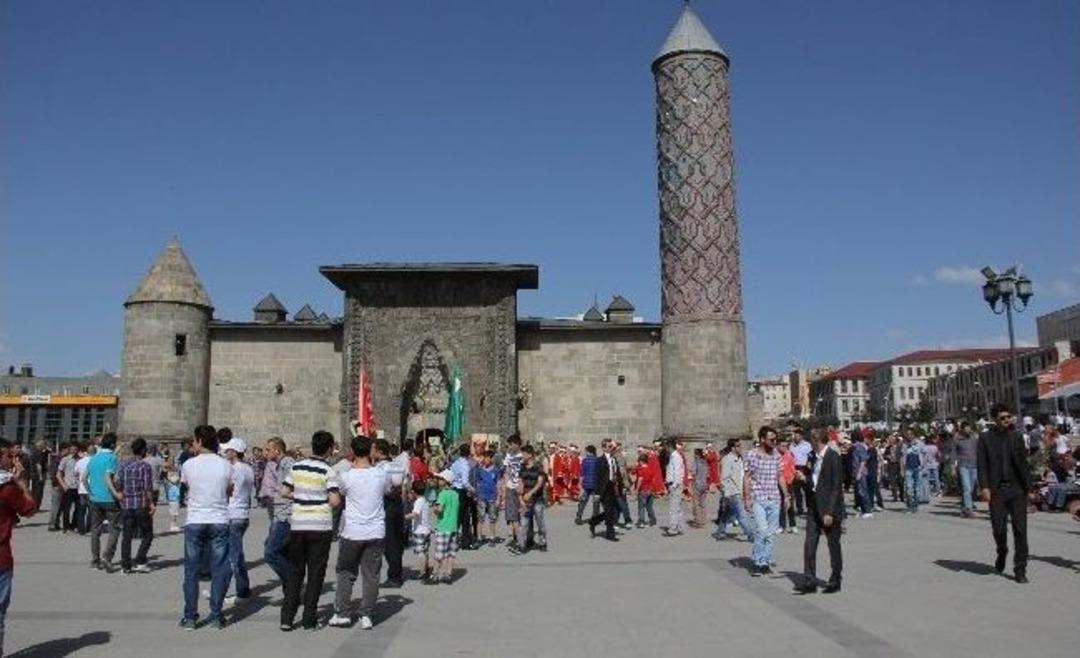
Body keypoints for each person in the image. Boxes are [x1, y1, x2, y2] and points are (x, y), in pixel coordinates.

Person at [280, 431, 342, 631]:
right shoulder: (328, 470)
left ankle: (287, 618)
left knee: (295, 571)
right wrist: (319, 500)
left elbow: (285, 492)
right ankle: (309, 619)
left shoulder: (296, 466)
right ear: (330, 448)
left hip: (298, 524)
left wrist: (302, 498)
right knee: (316, 573)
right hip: (320, 526)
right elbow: (334, 500)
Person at [328, 435, 390, 630]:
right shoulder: (381, 474)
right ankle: (366, 614)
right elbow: (387, 491)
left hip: (352, 531)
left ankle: (343, 613)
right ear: (371, 450)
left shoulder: (345, 477)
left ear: (352, 452)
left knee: (346, 572)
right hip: (375, 531)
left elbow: (339, 496)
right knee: (371, 574)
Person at [179, 425, 233, 630]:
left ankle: (190, 617)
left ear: (200, 441)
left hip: (195, 519)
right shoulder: (226, 465)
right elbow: (230, 489)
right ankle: (216, 615)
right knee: (219, 568)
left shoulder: (189, 465)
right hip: (219, 518)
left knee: (191, 570)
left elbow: (187, 486)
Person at [977, 404, 1030, 583]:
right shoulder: (985, 438)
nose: (1007, 420)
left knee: (1020, 530)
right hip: (997, 490)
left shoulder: (1016, 437)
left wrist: (1029, 489)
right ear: (994, 420)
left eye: (1009, 417)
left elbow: (1024, 464)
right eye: (1003, 418)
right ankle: (1002, 550)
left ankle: (1020, 569)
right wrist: (984, 487)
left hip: (1017, 489)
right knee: (999, 529)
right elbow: (982, 464)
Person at [0, 439, 37, 657]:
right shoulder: (7, 487)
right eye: (8, 455)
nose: (12, 459)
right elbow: (30, 509)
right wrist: (22, 483)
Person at [795, 429, 843, 594]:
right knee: (809, 543)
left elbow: (836, 487)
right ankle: (810, 580)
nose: (810, 445)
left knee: (833, 545)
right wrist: (803, 478)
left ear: (818, 441)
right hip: (813, 505)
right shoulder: (812, 457)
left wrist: (830, 512)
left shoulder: (833, 457)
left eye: (812, 441)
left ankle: (835, 580)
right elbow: (811, 479)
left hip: (829, 508)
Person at [745, 426, 783, 576]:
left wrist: (786, 495)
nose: (774, 442)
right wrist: (746, 497)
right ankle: (756, 561)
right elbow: (747, 477)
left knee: (770, 534)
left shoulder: (777, 455)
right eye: (771, 439)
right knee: (761, 530)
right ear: (762, 439)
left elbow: (779, 476)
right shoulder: (752, 454)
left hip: (774, 498)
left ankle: (765, 562)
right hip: (758, 498)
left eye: (776, 439)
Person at [221, 438, 254, 604]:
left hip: (233, 513)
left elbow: (227, 490)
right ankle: (240, 589)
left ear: (234, 452)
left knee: (233, 556)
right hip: (243, 514)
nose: (225, 452)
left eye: (228, 450)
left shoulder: (233, 469)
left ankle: (240, 591)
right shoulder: (248, 468)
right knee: (235, 554)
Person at [116, 437, 155, 574]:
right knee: (148, 534)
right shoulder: (145, 466)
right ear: (144, 450)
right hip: (140, 504)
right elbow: (147, 487)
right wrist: (151, 504)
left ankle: (125, 566)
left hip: (126, 504)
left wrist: (120, 494)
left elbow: (118, 484)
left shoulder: (123, 465)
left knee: (126, 536)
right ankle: (140, 560)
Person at [373, 439, 407, 589]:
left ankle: (394, 576)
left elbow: (383, 488)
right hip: (398, 503)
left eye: (373, 449)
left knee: (390, 541)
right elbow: (405, 483)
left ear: (380, 452)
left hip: (387, 503)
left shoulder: (380, 468)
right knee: (396, 539)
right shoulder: (398, 465)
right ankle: (396, 571)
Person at [261, 437, 294, 592]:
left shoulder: (288, 464)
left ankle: (294, 583)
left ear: (277, 450)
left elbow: (294, 488)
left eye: (268, 449)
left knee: (270, 553)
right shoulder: (280, 464)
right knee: (281, 551)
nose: (265, 453)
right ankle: (290, 589)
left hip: (286, 515)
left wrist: (281, 494)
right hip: (280, 513)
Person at [86, 433, 121, 572]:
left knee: (95, 530)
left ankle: (95, 560)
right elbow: (108, 477)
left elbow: (83, 478)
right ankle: (107, 557)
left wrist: (90, 491)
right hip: (109, 498)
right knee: (114, 529)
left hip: (95, 498)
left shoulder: (94, 458)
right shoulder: (112, 458)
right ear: (112, 445)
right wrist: (116, 492)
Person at [714, 439, 753, 541]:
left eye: (741, 445)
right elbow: (724, 478)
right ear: (732, 448)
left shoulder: (739, 459)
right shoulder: (727, 459)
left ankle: (720, 532)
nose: (741, 448)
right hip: (732, 492)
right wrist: (726, 493)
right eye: (738, 446)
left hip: (738, 491)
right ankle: (751, 535)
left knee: (727, 513)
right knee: (742, 514)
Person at [514, 445, 548, 554]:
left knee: (540, 521)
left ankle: (543, 542)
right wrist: (520, 498)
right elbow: (520, 482)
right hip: (526, 500)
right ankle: (522, 545)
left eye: (523, 453)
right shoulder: (522, 467)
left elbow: (540, 482)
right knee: (524, 523)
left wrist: (530, 493)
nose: (522, 455)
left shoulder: (538, 466)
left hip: (537, 499)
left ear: (530, 454)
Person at [587, 439, 620, 542]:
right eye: (609, 447)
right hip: (603, 489)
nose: (611, 448)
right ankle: (610, 535)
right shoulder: (599, 460)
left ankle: (594, 521)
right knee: (609, 511)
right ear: (604, 448)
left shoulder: (614, 459)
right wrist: (596, 493)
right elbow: (596, 477)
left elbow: (617, 474)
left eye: (612, 447)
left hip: (612, 487)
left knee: (613, 510)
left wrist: (622, 487)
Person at [431, 469, 460, 584]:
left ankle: (435, 575)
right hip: (453, 526)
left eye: (440, 479)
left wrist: (434, 507)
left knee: (439, 553)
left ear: (446, 481)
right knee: (450, 553)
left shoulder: (442, 494)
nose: (438, 481)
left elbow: (440, 510)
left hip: (443, 527)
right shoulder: (455, 494)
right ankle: (448, 574)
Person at [449, 444, 476, 552]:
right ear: (468, 453)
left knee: (464, 518)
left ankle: (466, 541)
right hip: (461, 491)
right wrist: (473, 490)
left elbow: (451, 475)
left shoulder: (455, 463)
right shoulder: (465, 465)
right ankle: (453, 542)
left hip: (455, 489)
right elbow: (465, 482)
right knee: (459, 517)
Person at [406, 480, 433, 580]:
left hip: (419, 530)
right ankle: (426, 569)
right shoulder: (425, 500)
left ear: (414, 491)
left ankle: (422, 572)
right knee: (425, 551)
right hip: (426, 529)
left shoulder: (418, 502)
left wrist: (403, 517)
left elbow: (415, 514)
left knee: (420, 552)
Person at [502, 434, 524, 550]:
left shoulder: (523, 455)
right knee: (512, 515)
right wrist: (505, 488)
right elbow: (507, 472)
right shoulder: (508, 456)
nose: (509, 447)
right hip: (511, 487)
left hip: (522, 489)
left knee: (522, 515)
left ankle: (521, 539)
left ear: (516, 444)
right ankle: (516, 539)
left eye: (510, 444)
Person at [954, 421, 980, 517]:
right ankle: (969, 509)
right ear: (962, 429)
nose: (968, 430)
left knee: (972, 488)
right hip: (963, 465)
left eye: (969, 428)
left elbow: (979, 451)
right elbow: (953, 454)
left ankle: (964, 508)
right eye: (966, 428)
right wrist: (953, 467)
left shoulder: (975, 438)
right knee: (966, 487)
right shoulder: (957, 439)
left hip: (974, 465)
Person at [475, 450, 501, 545]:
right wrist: (477, 495)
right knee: (480, 518)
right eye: (484, 457)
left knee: (492, 518)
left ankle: (492, 537)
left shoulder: (496, 470)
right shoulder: (480, 470)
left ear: (491, 459)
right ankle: (479, 537)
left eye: (487, 457)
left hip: (492, 497)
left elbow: (498, 483)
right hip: (482, 496)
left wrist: (499, 497)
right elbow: (477, 483)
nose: (485, 459)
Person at [663, 438, 686, 537]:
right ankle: (680, 526)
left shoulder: (675, 457)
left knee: (674, 507)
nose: (665, 449)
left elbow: (677, 472)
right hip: (676, 484)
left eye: (666, 447)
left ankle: (673, 528)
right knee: (678, 508)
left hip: (675, 484)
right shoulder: (675, 456)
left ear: (669, 446)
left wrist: (674, 485)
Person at [575, 445, 599, 525]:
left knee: (583, 501)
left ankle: (578, 516)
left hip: (586, 484)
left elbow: (582, 474)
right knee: (596, 501)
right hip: (595, 484)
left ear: (588, 451)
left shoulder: (584, 461)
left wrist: (580, 484)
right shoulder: (597, 460)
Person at [57, 443, 79, 533]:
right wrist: (63, 485)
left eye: (76, 449)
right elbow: (58, 474)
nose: (74, 451)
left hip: (78, 487)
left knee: (78, 508)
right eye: (72, 449)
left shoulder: (80, 460)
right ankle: (66, 526)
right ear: (69, 450)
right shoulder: (65, 459)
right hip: (68, 486)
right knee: (67, 508)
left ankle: (73, 525)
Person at [901, 431, 924, 513]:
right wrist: (902, 469)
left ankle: (915, 505)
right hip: (908, 468)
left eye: (911, 434)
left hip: (917, 468)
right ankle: (910, 505)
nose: (909, 436)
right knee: (909, 488)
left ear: (914, 435)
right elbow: (903, 457)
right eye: (908, 434)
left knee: (917, 489)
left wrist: (923, 464)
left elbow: (924, 453)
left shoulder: (920, 444)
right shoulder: (905, 445)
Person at [777, 440, 798, 532]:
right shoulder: (774, 456)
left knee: (790, 504)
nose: (784, 448)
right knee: (780, 505)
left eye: (786, 446)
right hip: (777, 483)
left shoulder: (789, 455)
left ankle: (793, 525)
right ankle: (781, 525)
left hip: (788, 483)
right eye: (782, 446)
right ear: (778, 446)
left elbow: (792, 468)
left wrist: (793, 478)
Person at [73, 444, 93, 535]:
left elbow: (75, 473)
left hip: (82, 489)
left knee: (81, 509)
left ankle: (81, 528)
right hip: (92, 488)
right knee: (91, 509)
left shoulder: (80, 461)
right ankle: (88, 527)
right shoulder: (95, 461)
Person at [851, 433, 872, 518]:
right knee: (859, 492)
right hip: (856, 472)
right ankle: (862, 509)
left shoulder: (859, 447)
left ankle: (868, 510)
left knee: (863, 491)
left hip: (861, 472)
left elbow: (863, 460)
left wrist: (859, 473)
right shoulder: (856, 447)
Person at [690, 449, 709, 528]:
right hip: (704, 484)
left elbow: (693, 473)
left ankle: (698, 521)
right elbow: (707, 473)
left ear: (696, 454)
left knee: (696, 504)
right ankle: (704, 520)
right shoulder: (705, 462)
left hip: (697, 484)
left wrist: (692, 482)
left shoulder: (695, 462)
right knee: (703, 503)